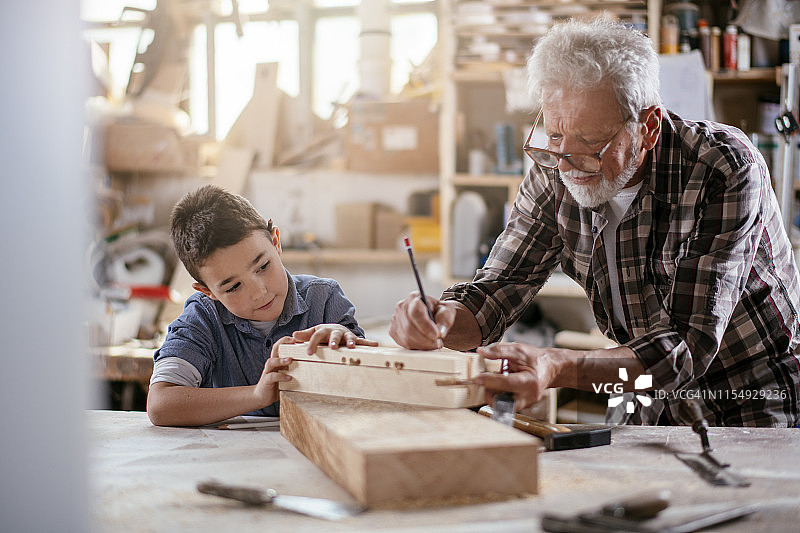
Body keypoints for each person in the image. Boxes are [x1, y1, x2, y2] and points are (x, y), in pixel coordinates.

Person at [390, 18, 800, 427]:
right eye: (554, 137)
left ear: (649, 126)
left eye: (589, 143)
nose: (567, 163)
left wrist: (557, 365)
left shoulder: (722, 166)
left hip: (749, 390)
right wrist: (441, 320)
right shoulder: (554, 171)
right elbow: (496, 293)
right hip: (637, 387)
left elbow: (684, 348)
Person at [147, 185, 377, 427]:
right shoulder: (202, 317)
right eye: (233, 287)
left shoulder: (324, 299)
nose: (259, 293)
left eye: (263, 266)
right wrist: (256, 395)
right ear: (208, 291)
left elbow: (369, 389)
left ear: (276, 243)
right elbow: (160, 405)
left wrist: (346, 349)